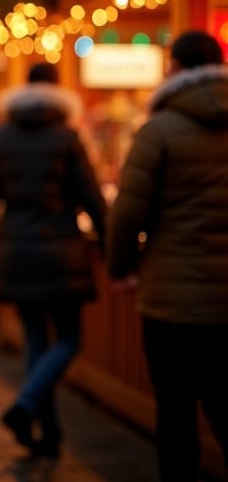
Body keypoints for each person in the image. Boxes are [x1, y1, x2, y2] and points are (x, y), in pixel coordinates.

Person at [0, 62, 106, 458]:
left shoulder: (1, 137)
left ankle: (49, 434)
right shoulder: (68, 138)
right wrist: (112, 249)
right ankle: (26, 406)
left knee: (37, 341)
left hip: (17, 250)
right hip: (62, 249)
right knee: (69, 339)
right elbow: (92, 197)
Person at [107, 30, 228, 481]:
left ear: (174, 68)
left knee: (175, 411)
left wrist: (120, 267)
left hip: (171, 303)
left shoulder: (157, 130)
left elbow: (128, 213)